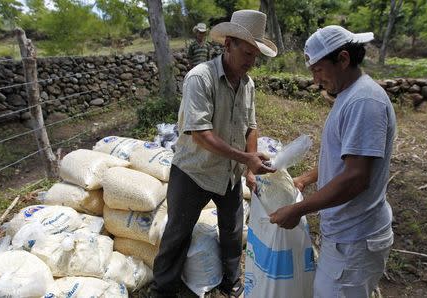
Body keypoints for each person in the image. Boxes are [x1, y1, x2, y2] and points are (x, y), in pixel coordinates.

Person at [151, 10, 278, 298]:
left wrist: (248, 168)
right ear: (228, 44)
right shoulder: (201, 78)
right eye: (246, 53)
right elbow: (201, 134)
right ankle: (163, 289)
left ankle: (230, 282)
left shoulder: (248, 84)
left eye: (255, 56)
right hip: (194, 171)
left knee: (232, 233)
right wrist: (246, 158)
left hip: (229, 174)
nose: (251, 62)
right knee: (178, 233)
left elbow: (251, 127)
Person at [270, 25, 396, 298]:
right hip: (347, 236)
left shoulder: (363, 101)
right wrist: (306, 178)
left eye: (318, 70)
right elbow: (344, 159)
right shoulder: (350, 95)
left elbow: (356, 178)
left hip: (355, 240)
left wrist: (299, 209)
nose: (315, 81)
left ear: (343, 59)